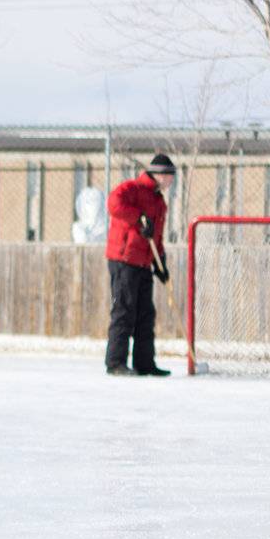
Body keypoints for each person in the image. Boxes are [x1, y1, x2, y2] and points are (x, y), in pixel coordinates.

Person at [104, 153, 177, 377]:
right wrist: (139, 217)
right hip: (124, 260)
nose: (171, 181)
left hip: (144, 263)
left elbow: (156, 237)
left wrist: (160, 263)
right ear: (159, 175)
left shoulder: (159, 202)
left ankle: (144, 363)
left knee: (145, 313)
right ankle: (116, 363)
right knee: (124, 311)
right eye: (170, 177)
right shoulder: (132, 189)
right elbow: (113, 204)